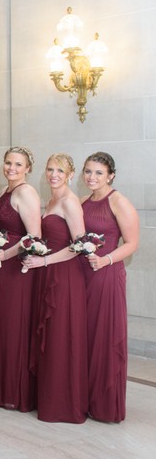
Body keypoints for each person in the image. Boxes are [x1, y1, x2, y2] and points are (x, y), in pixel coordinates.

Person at [23, 153, 88, 424]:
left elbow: (79, 245)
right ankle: (47, 398)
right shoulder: (49, 200)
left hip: (64, 276)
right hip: (45, 272)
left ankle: (63, 405)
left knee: (61, 336)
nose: (53, 174)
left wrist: (44, 260)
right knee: (48, 336)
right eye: (50, 169)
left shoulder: (70, 202)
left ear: (70, 175)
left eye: (59, 170)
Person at [80, 152, 139, 422]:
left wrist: (105, 260)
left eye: (99, 173)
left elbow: (132, 243)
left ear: (111, 175)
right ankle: (85, 397)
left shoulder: (118, 201)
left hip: (107, 275)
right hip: (84, 275)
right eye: (88, 172)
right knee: (86, 336)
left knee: (104, 335)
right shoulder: (82, 201)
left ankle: (105, 403)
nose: (92, 177)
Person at [0, 146, 41, 411]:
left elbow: (33, 236)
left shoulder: (26, 192)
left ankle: (15, 391)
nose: (11, 168)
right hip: (1, 267)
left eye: (18, 164)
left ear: (28, 168)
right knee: (3, 323)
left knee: (15, 325)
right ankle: (0, 386)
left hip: (16, 270)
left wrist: (6, 255)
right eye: (8, 163)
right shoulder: (6, 191)